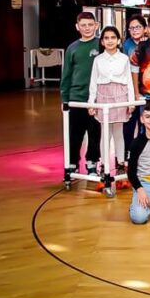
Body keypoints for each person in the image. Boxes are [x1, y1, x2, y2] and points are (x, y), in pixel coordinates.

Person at [87, 25, 135, 175]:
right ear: (102, 41)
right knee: (105, 133)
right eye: (106, 38)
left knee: (118, 132)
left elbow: (129, 81)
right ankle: (104, 164)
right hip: (103, 96)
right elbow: (93, 82)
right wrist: (91, 103)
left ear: (119, 40)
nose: (109, 41)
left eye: (113, 37)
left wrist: (131, 102)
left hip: (120, 96)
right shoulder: (98, 60)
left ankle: (120, 163)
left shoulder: (124, 59)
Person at [61, 11, 101, 175]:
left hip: (97, 99)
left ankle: (92, 163)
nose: (87, 28)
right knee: (74, 133)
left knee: (94, 133)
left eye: (90, 25)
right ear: (77, 27)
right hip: (76, 98)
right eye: (83, 25)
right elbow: (67, 75)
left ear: (96, 26)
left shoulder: (101, 45)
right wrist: (65, 99)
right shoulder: (72, 48)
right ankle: (72, 163)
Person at [120, 14, 148, 162]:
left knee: (144, 124)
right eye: (131, 28)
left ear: (144, 28)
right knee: (128, 125)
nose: (135, 30)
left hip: (147, 90)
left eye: (138, 27)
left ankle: (142, 155)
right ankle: (127, 155)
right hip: (129, 90)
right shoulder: (126, 45)